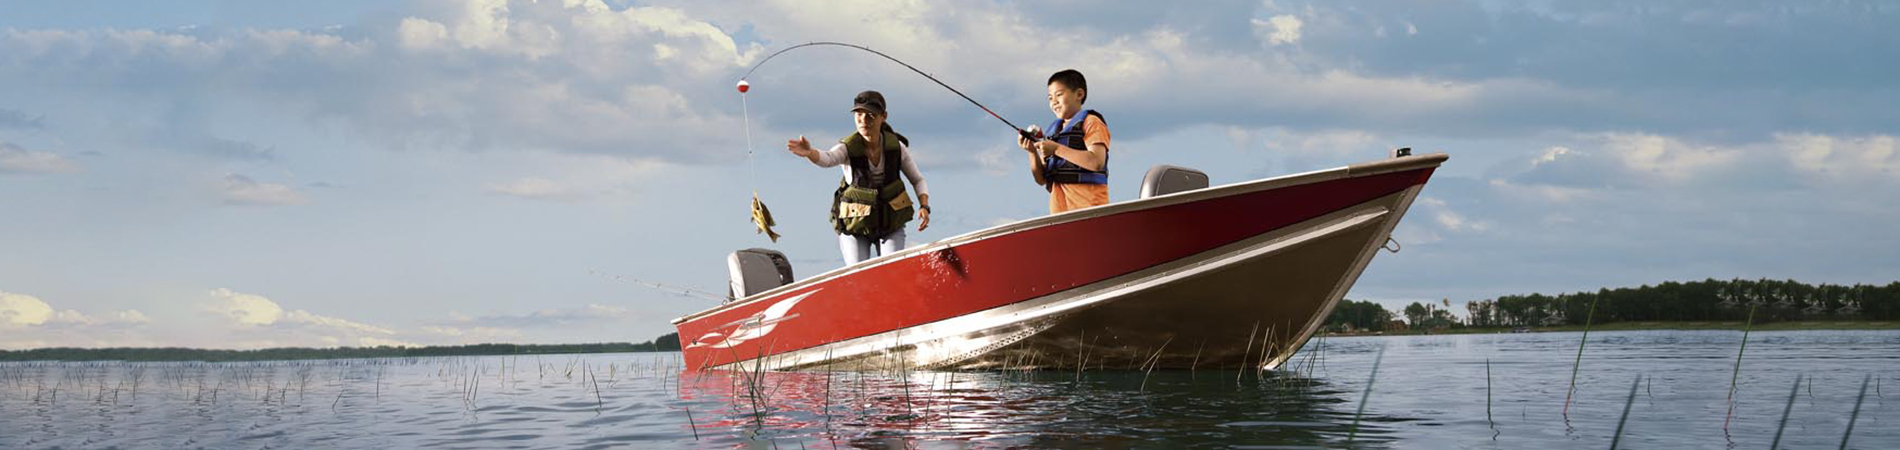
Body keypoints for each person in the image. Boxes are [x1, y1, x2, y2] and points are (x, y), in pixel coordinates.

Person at [786, 90, 932, 265]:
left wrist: (924, 206)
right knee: (858, 271)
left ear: (883, 117)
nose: (863, 120)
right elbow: (828, 159)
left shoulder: (896, 147)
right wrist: (810, 153)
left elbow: (917, 179)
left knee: (892, 267)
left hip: (890, 224)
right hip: (855, 226)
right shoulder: (847, 147)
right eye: (859, 115)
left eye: (870, 115)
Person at [1019, 69, 1111, 214]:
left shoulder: (1091, 122)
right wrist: (1031, 152)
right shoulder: (1053, 133)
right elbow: (1042, 179)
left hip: (1090, 209)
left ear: (1079, 94)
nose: (1054, 101)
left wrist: (1056, 149)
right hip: (1059, 213)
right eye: (1050, 98)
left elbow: (1096, 162)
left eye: (1059, 95)